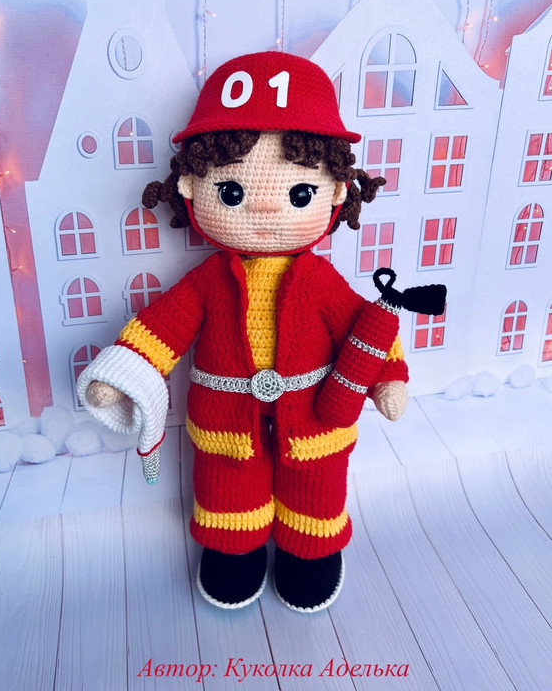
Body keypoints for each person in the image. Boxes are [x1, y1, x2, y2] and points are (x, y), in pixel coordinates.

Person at [77, 51, 411, 613]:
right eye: (232, 193)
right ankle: (234, 550)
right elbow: (163, 327)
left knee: (317, 486)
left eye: (298, 195)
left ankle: (310, 551)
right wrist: (123, 372)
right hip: (227, 422)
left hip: (316, 417)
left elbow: (365, 325)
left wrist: (388, 378)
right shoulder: (208, 282)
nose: (265, 212)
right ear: (192, 187)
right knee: (226, 488)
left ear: (335, 192)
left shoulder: (322, 282)